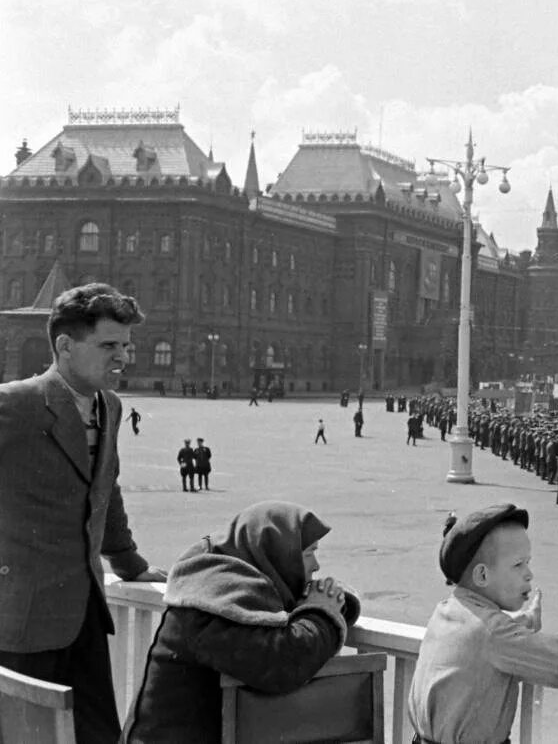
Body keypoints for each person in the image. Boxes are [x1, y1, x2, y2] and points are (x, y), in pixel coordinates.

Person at [0, 282, 166, 744]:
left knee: (98, 735)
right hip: (20, 623)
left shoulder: (108, 406)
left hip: (86, 619)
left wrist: (129, 562)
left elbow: (104, 489)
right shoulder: (17, 403)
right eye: (109, 345)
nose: (123, 357)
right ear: (65, 346)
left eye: (126, 346)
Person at [120, 501, 358, 742]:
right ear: (279, 555)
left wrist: (330, 603)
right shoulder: (210, 603)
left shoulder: (237, 585)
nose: (316, 565)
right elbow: (280, 662)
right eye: (308, 554)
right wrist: (322, 614)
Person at [408, 504, 558, 743]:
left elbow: (487, 632)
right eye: (518, 565)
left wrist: (526, 620)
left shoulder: (447, 610)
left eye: (528, 562)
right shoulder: (494, 634)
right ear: (482, 576)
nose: (529, 574)